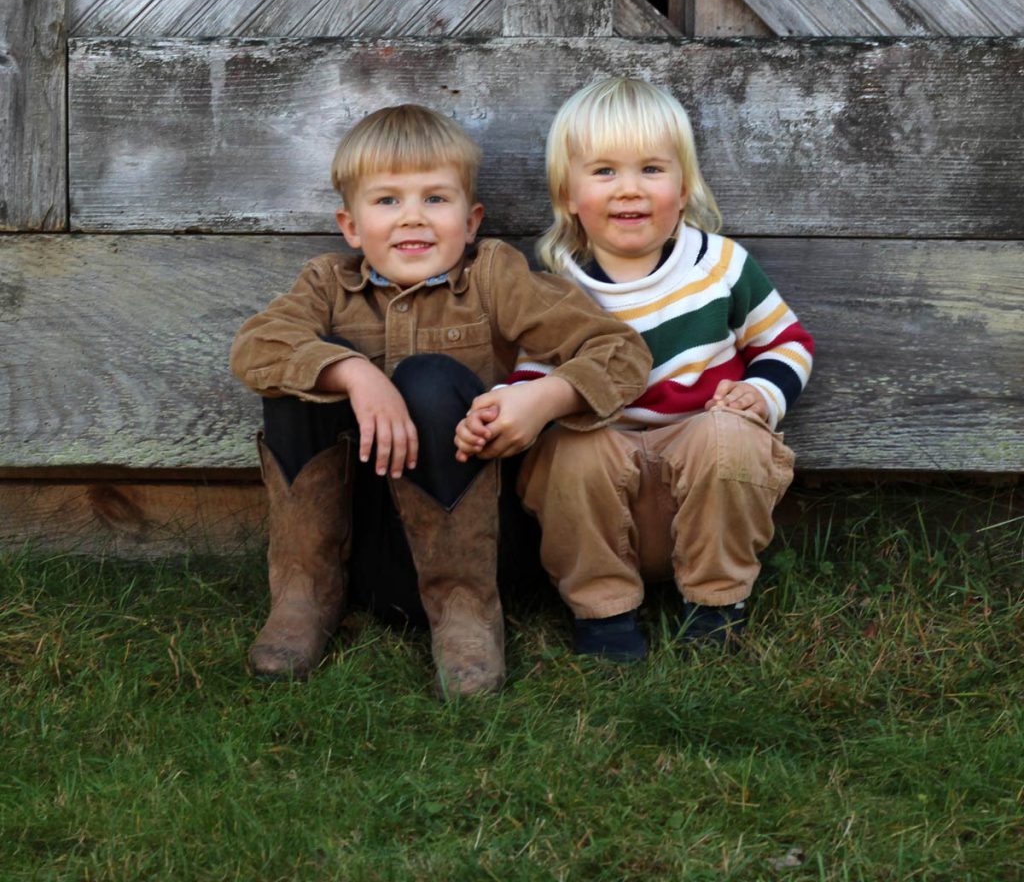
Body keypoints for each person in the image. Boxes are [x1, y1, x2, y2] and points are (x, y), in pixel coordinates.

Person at [229, 103, 652, 696]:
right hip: (363, 555)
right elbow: (254, 348)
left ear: (472, 219)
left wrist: (544, 401)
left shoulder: (493, 279)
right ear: (350, 227)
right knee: (300, 368)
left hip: (477, 549)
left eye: (435, 199)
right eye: (387, 201)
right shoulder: (328, 285)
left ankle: (465, 619)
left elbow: (621, 351)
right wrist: (351, 371)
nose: (412, 220)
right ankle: (303, 597)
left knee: (429, 377)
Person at [456, 78, 814, 661]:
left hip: (702, 475)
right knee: (571, 451)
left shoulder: (718, 265)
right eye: (603, 173)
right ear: (569, 194)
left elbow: (787, 342)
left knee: (730, 438)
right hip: (605, 486)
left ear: (683, 185)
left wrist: (761, 393)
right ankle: (604, 615)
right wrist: (502, 408)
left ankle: (715, 605)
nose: (630, 190)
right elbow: (533, 378)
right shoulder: (557, 290)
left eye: (651, 169)